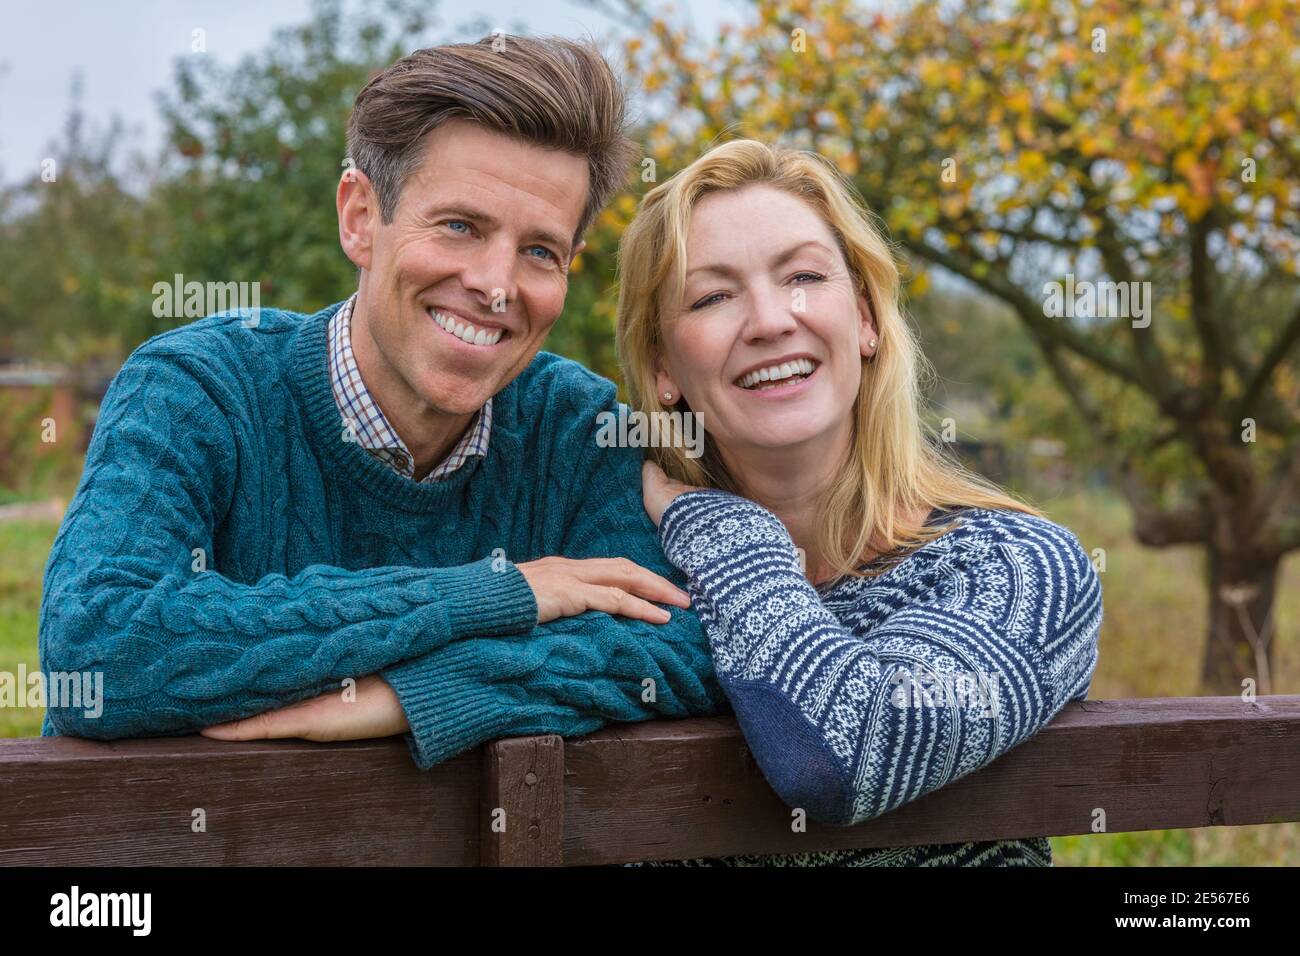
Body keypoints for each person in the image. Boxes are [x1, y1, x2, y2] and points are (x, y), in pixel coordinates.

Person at [37, 35, 729, 770]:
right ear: (360, 217)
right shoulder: (195, 388)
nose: (497, 285)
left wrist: (420, 692)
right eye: (460, 226)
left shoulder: (574, 428)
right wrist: (498, 594)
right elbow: (101, 651)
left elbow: (687, 643)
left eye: (539, 252)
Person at [617, 139, 1103, 865]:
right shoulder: (629, 580)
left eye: (804, 277)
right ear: (662, 368)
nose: (770, 320)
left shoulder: (1023, 568)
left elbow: (841, 754)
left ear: (867, 319)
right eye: (713, 295)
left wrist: (722, 530)